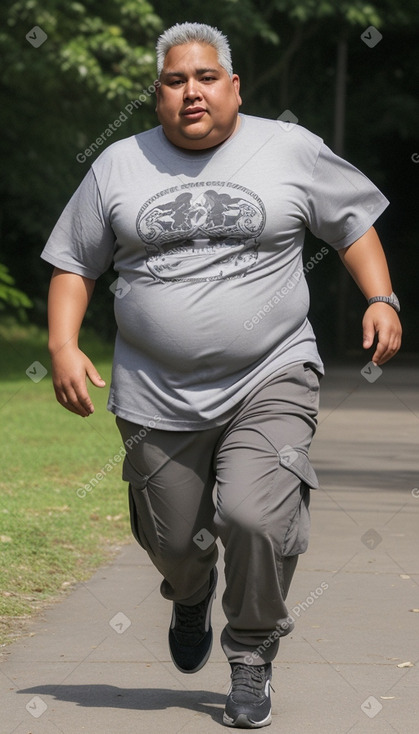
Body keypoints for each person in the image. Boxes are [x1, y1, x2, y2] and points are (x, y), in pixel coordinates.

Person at [41, 21, 402, 729]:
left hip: (272, 372)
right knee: (174, 544)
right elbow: (74, 262)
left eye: (205, 77)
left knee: (252, 514)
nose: (191, 92)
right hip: (153, 391)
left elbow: (352, 222)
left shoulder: (289, 149)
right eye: (175, 81)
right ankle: (188, 590)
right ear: (157, 96)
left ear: (233, 86)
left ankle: (250, 653)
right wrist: (60, 345)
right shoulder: (117, 164)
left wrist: (380, 297)